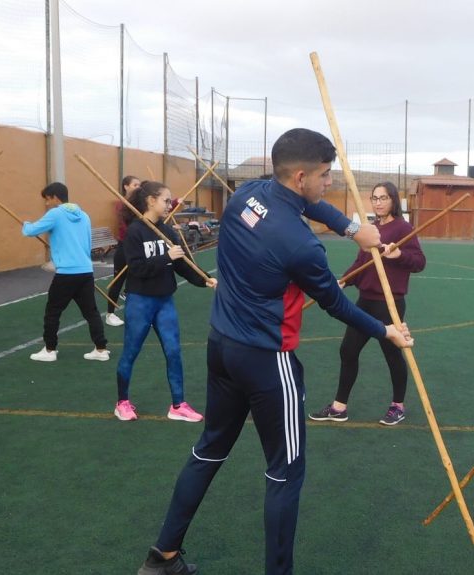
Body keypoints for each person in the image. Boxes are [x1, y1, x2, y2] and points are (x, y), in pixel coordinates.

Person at [137, 128, 413, 575]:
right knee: (286, 473)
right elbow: (335, 304)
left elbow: (309, 206)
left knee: (210, 449)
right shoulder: (301, 245)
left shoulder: (247, 194)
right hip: (268, 361)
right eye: (325, 176)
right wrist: (386, 331)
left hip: (222, 347)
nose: (330, 184)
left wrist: (352, 229)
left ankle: (162, 557)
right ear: (301, 175)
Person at [309, 181, 425, 426]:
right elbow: (362, 263)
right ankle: (339, 407)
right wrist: (344, 280)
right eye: (375, 198)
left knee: (392, 355)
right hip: (366, 302)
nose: (378, 202)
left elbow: (419, 262)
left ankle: (398, 406)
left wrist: (399, 255)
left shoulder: (403, 229)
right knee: (348, 350)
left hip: (389, 303)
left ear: (393, 200)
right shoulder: (370, 229)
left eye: (383, 198)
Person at [114, 181, 217, 424]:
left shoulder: (168, 232)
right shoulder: (135, 232)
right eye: (166, 200)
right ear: (150, 200)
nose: (169, 204)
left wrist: (205, 280)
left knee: (173, 351)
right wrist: (165, 257)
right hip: (140, 301)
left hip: (164, 301)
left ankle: (178, 404)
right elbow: (137, 268)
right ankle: (122, 402)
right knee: (131, 352)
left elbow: (182, 265)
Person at [22, 182, 109, 362]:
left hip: (67, 274)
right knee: (91, 312)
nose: (46, 204)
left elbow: (30, 231)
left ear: (55, 197)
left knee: (53, 311)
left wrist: (25, 224)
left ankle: (49, 349)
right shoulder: (84, 216)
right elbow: (87, 244)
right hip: (85, 271)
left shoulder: (55, 214)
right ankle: (101, 349)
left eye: (47, 199)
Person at [104, 175, 141, 327]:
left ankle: (137, 314)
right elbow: (125, 226)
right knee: (118, 280)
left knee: (137, 281)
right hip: (125, 247)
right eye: (134, 184)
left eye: (139, 184)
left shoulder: (140, 204)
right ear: (125, 186)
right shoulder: (121, 204)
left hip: (137, 248)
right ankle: (110, 314)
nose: (138, 187)